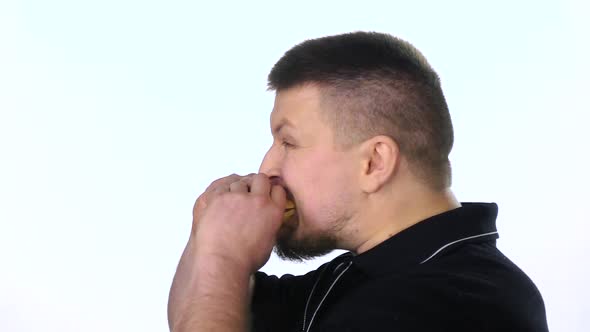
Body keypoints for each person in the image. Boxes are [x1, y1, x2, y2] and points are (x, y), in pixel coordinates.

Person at [167, 31, 549, 331]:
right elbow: (207, 307)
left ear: (373, 162)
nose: (268, 166)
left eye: (288, 142)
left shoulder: (450, 303)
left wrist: (222, 256)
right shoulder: (360, 277)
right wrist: (209, 233)